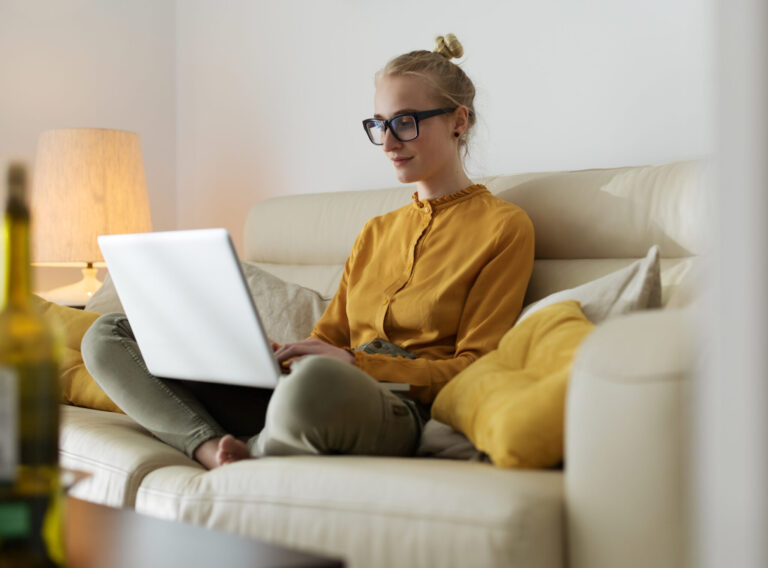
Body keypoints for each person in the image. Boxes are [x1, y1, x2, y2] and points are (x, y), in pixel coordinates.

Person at [82, 34, 535, 470]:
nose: (390, 143)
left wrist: (356, 363)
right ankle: (208, 448)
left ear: (458, 121)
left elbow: (475, 367)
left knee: (319, 381)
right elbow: (329, 338)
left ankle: (258, 451)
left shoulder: (503, 228)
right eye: (380, 125)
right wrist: (270, 353)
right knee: (108, 335)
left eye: (405, 122)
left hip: (389, 404)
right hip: (308, 390)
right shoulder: (376, 232)